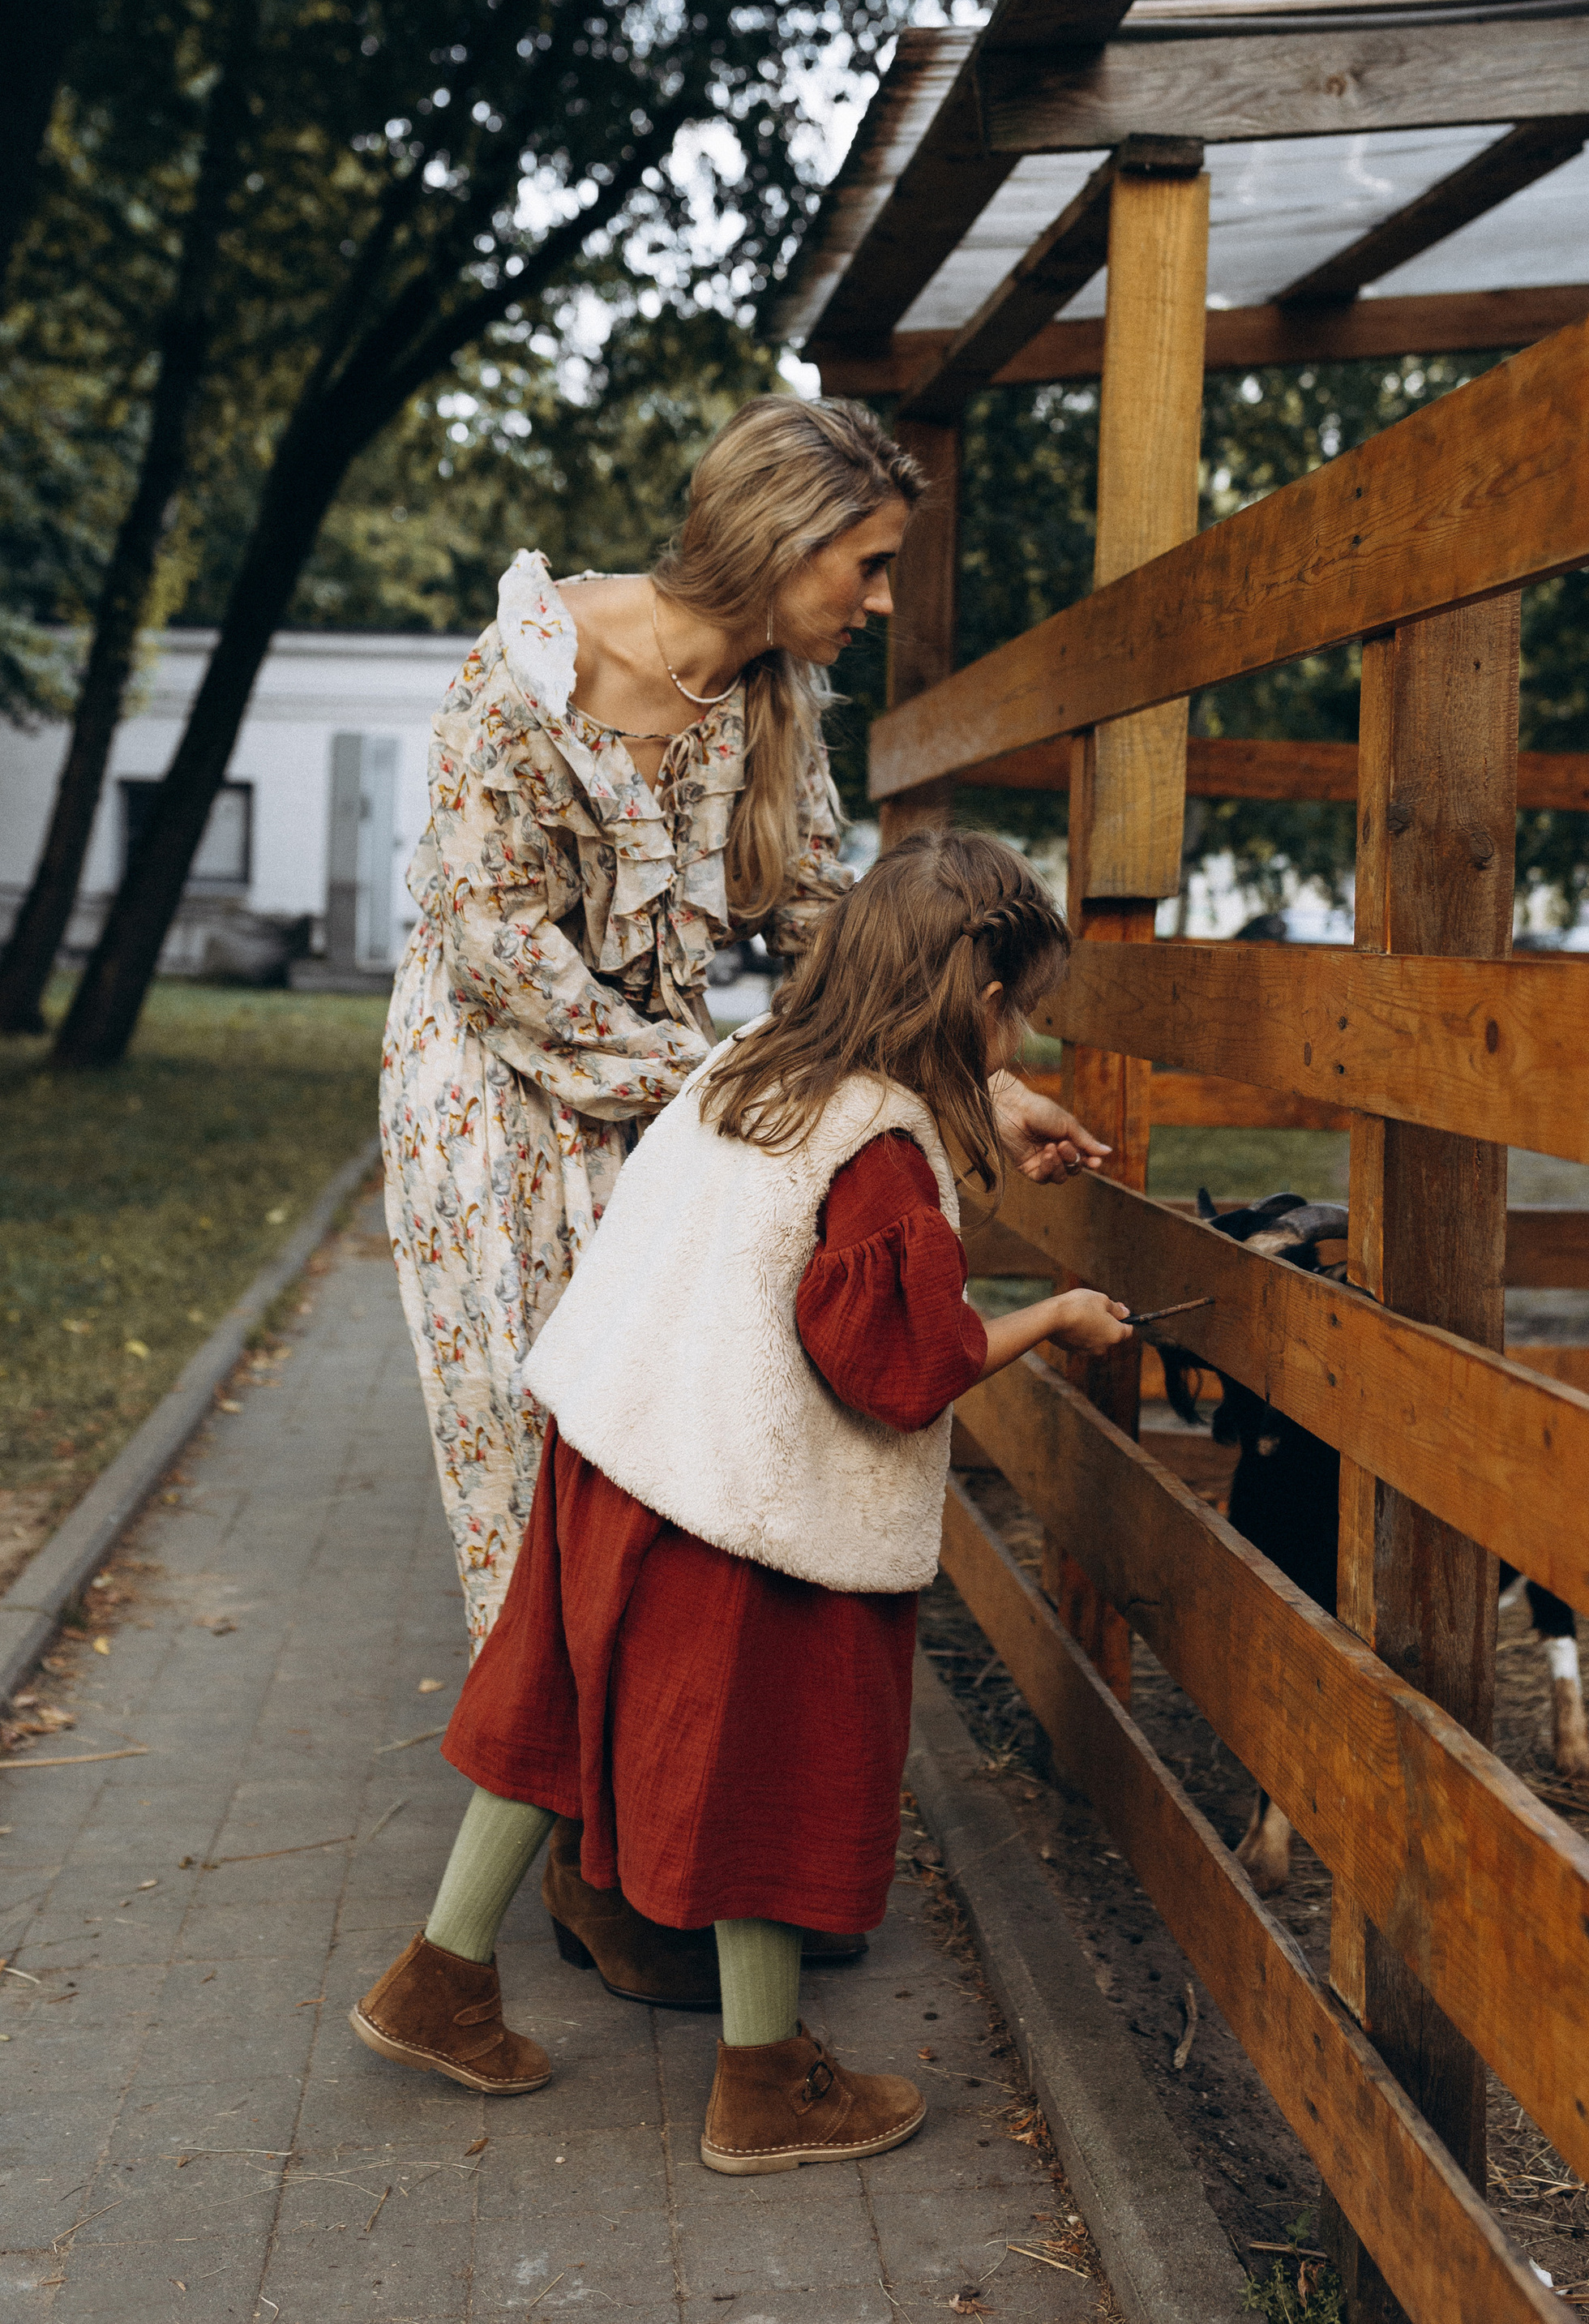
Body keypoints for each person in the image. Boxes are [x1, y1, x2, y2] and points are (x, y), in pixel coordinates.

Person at [352, 833, 1132, 2174]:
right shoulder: (881, 1154)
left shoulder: (757, 1060)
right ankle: (767, 2086)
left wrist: (990, 1102)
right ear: (980, 1000)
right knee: (765, 1760)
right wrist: (1054, 1316)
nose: (1024, 1039)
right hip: (734, 1499)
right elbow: (899, 1368)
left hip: (614, 1447)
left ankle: (440, 1979)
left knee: (555, 1712)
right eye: (1019, 1015)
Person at [379, 397, 1106, 1651]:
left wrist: (977, 1086)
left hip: (666, 1089)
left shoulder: (775, 705)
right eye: (868, 563)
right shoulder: (533, 668)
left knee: (661, 1412)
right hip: (495, 1085)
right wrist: (726, 1081)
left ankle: (648, 1733)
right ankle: (546, 1745)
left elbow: (833, 936)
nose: (882, 600)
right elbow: (498, 951)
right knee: (528, 1423)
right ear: (783, 537)